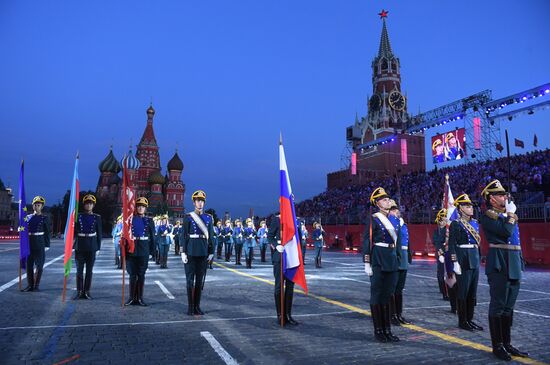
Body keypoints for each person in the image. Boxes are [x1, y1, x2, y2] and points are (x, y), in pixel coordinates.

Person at [480, 180, 529, 360]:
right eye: (501, 195)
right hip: (500, 263)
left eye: (505, 194)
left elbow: (516, 240)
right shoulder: (488, 216)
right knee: (498, 306)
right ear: (491, 199)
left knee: (509, 307)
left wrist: (510, 214)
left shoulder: (508, 215)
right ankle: (498, 346)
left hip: (514, 262)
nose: (505, 197)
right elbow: (506, 232)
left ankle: (507, 343)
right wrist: (510, 215)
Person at [363, 187, 400, 342]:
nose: (387, 201)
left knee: (387, 295)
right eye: (384, 199)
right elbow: (367, 240)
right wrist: (367, 262)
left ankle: (387, 329)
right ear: (377, 203)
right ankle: (378, 330)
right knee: (377, 295)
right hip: (378, 258)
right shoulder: (373, 218)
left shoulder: (393, 219)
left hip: (391, 259)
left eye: (388, 199)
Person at [448, 194, 483, 331]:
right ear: (460, 208)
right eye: (467, 206)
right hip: (463, 259)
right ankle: (462, 321)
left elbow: (476, 243)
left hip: (474, 258)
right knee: (463, 291)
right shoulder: (456, 224)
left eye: (471, 206)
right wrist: (454, 262)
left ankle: (470, 319)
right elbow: (451, 244)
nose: (471, 208)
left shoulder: (474, 222)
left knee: (472, 292)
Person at [181, 190, 214, 315]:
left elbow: (211, 236)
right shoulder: (188, 217)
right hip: (190, 251)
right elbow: (183, 235)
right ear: (194, 202)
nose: (200, 203)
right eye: (198, 201)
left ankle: (197, 307)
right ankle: (190, 307)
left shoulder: (208, 218)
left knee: (200, 280)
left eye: (202, 201)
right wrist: (183, 252)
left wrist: (211, 251)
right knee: (190, 280)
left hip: (203, 252)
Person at [125, 197, 156, 306]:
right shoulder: (130, 219)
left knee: (141, 274)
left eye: (143, 206)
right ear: (136, 207)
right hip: (131, 250)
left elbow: (153, 237)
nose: (140, 208)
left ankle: (140, 298)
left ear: (145, 208)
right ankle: (131, 297)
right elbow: (125, 236)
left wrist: (153, 252)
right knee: (132, 274)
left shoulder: (149, 221)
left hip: (144, 249)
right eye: (139, 206)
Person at [268, 213, 298, 326]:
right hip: (280, 256)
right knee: (279, 287)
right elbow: (270, 236)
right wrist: (276, 245)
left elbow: (297, 238)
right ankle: (280, 315)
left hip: (292, 258)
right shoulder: (277, 220)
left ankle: (288, 315)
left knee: (290, 287)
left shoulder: (294, 220)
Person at [73, 194, 102, 299]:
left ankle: (87, 291)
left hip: (91, 246)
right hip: (80, 245)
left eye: (90, 204)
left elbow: (99, 234)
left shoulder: (97, 217)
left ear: (93, 205)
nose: (88, 205)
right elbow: (72, 230)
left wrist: (98, 247)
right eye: (87, 204)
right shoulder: (78, 216)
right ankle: (79, 291)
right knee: (79, 270)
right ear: (84, 205)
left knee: (89, 270)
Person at [388, 200, 411, 326]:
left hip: (403, 256)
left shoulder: (401, 222)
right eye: (393, 209)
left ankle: (399, 314)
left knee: (399, 288)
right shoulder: (390, 221)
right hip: (395, 256)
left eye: (396, 209)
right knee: (393, 288)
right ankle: (392, 315)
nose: (396, 211)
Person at [21, 196, 51, 292]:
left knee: (39, 266)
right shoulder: (27, 217)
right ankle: (30, 285)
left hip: (39, 243)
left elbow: (47, 232)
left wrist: (47, 245)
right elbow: (23, 228)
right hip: (29, 244)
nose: (36, 206)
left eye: (39, 205)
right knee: (29, 265)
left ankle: (36, 285)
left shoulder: (44, 218)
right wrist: (20, 229)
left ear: (41, 207)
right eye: (35, 205)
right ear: (33, 206)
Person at [432, 209, 449, 300]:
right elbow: (436, 242)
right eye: (442, 220)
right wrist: (441, 253)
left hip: (448, 253)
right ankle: (443, 291)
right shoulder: (437, 231)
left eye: (445, 219)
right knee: (441, 273)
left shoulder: (447, 230)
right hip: (441, 253)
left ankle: (448, 291)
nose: (444, 221)